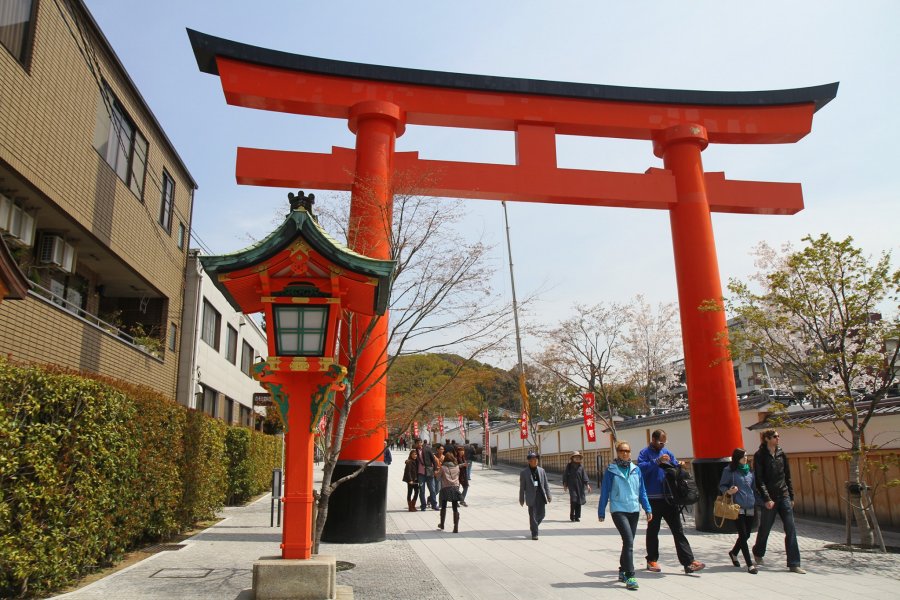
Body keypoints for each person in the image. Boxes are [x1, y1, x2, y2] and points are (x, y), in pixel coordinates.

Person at [637, 429, 706, 574]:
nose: (663, 445)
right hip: (653, 498)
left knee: (678, 530)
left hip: (670, 498)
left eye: (664, 442)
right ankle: (652, 560)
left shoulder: (668, 453)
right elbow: (641, 469)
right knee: (653, 530)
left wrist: (679, 465)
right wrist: (656, 461)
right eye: (661, 442)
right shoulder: (645, 453)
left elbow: (675, 469)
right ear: (654, 440)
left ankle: (688, 562)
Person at [599, 440, 653, 591]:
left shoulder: (636, 469)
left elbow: (642, 491)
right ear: (617, 452)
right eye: (622, 450)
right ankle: (630, 575)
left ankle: (622, 570)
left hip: (634, 509)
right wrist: (601, 510)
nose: (625, 453)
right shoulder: (611, 470)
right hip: (618, 509)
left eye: (627, 451)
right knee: (629, 540)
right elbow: (605, 491)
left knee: (628, 542)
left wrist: (647, 508)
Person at [752, 429, 805, 573]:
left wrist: (791, 495)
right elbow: (759, 479)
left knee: (790, 527)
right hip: (770, 496)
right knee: (765, 528)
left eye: (778, 436)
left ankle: (794, 563)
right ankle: (758, 551)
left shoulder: (782, 454)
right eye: (775, 436)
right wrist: (766, 498)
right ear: (767, 439)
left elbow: (787, 476)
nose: (778, 438)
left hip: (784, 494)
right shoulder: (760, 456)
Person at [719, 448, 757, 574]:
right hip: (737, 506)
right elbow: (722, 485)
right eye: (742, 457)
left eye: (746, 456)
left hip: (750, 504)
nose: (745, 459)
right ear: (736, 458)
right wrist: (729, 491)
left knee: (747, 534)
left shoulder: (750, 471)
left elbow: (753, 487)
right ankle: (749, 564)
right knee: (742, 533)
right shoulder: (729, 471)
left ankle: (734, 552)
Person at [518, 451, 551, 540]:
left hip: (540, 495)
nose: (535, 461)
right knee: (532, 515)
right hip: (531, 497)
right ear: (529, 461)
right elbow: (522, 487)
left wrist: (548, 495)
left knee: (542, 514)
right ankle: (534, 533)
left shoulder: (541, 470)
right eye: (533, 459)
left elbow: (546, 484)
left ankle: (533, 526)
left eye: (536, 459)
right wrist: (521, 499)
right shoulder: (524, 472)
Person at [563, 450, 592, 521]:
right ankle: (572, 515)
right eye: (575, 457)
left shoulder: (581, 467)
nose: (577, 458)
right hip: (572, 486)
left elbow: (584, 476)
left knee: (579, 501)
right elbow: (565, 475)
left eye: (578, 457)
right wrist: (565, 484)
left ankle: (577, 516)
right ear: (572, 458)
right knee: (574, 500)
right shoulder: (569, 466)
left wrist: (587, 485)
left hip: (580, 486)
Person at [437, 453, 463, 533]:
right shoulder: (457, 467)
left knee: (444, 506)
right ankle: (456, 527)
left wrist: (436, 473)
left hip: (445, 488)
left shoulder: (443, 467)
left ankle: (442, 524)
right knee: (455, 507)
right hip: (455, 488)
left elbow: (438, 478)